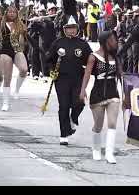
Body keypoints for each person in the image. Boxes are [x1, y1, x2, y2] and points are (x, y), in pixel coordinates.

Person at [46, 16, 91, 146]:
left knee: (79, 102)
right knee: (64, 106)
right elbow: (49, 59)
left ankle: (73, 118)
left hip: (78, 78)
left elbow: (90, 61)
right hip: (61, 79)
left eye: (73, 28)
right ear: (64, 29)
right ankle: (64, 134)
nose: (71, 31)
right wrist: (51, 71)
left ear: (77, 29)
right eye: (69, 28)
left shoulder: (83, 44)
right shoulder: (58, 43)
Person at [80, 30, 120, 163]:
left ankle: (109, 153)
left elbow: (122, 76)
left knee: (112, 123)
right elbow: (87, 74)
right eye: (113, 39)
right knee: (98, 125)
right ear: (106, 41)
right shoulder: (93, 57)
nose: (115, 42)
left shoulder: (116, 57)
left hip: (113, 93)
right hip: (97, 93)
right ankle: (96, 149)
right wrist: (82, 90)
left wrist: (127, 95)